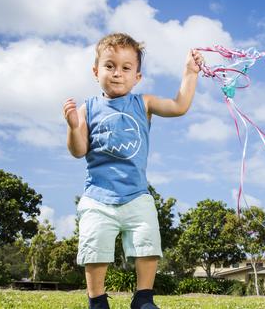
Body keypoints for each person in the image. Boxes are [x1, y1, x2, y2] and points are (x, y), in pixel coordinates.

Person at [63, 33, 203, 309]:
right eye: (110, 66)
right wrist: (72, 126)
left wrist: (190, 72)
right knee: (95, 250)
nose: (117, 74)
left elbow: (179, 106)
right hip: (97, 197)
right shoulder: (87, 108)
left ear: (137, 77)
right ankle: (97, 300)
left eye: (126, 68)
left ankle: (143, 298)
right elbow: (79, 150)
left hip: (137, 195)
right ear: (96, 71)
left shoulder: (144, 103)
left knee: (147, 244)